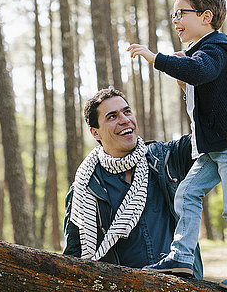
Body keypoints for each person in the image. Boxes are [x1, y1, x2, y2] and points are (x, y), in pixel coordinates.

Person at [127, 0, 227, 292]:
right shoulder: (200, 52)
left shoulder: (214, 50)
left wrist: (156, 59)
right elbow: (201, 93)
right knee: (186, 193)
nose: (175, 20)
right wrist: (180, 76)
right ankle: (182, 257)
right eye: (173, 14)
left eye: (181, 13)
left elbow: (200, 71)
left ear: (206, 17)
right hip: (215, 147)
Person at [63, 87, 203, 278]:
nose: (124, 120)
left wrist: (190, 89)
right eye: (112, 116)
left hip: (181, 284)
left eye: (127, 111)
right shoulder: (85, 188)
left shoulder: (166, 158)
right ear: (96, 133)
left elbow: (209, 134)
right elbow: (73, 258)